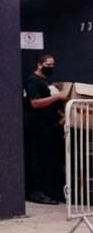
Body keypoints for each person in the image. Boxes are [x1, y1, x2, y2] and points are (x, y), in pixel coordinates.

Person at [24, 53, 68, 205]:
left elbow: (52, 105)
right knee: (39, 158)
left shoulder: (47, 82)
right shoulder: (32, 81)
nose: (51, 67)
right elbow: (35, 103)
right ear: (39, 64)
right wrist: (57, 97)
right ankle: (37, 192)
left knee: (50, 159)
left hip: (50, 125)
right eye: (48, 65)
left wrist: (63, 115)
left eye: (53, 65)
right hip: (37, 126)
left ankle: (51, 191)